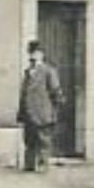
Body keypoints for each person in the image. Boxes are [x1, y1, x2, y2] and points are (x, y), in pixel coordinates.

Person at [17, 39, 65, 173]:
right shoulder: (28, 72)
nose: (33, 56)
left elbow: (56, 91)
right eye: (31, 53)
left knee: (44, 140)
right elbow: (24, 94)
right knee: (29, 141)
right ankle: (29, 166)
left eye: (36, 53)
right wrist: (21, 113)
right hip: (28, 113)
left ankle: (43, 165)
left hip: (43, 112)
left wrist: (54, 109)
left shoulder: (48, 71)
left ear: (41, 55)